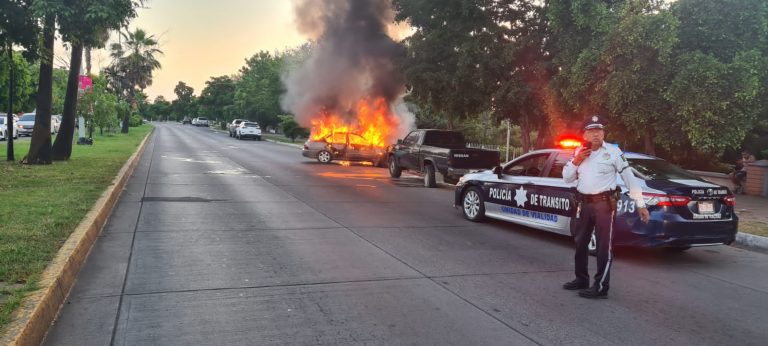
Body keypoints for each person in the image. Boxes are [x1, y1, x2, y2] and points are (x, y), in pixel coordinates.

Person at [562, 115, 650, 299]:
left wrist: (640, 204)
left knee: (603, 246)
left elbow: (629, 178)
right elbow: (567, 177)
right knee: (580, 243)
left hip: (604, 205)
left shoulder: (613, 152)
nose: (596, 134)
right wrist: (576, 161)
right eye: (591, 131)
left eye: (599, 130)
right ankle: (581, 279)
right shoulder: (579, 152)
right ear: (585, 134)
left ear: (603, 133)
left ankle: (601, 286)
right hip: (583, 204)